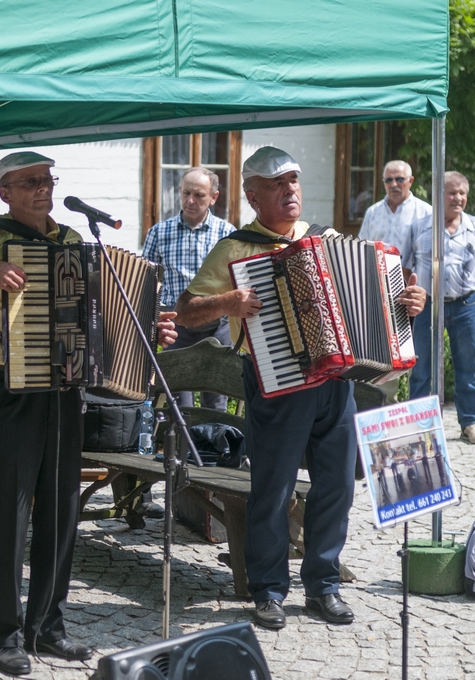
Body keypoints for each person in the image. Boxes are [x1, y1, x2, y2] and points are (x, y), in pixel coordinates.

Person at [0, 151, 177, 675]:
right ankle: (5, 634)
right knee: (10, 514)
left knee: (61, 511)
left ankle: (47, 627)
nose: (42, 188)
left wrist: (152, 330)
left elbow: (103, 318)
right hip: (10, 390)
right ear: (5, 192)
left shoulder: (74, 241)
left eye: (47, 179)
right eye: (29, 181)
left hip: (64, 391)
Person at [174, 146, 426, 630]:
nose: (290, 190)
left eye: (293, 180)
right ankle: (268, 590)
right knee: (274, 488)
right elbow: (186, 311)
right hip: (276, 383)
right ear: (252, 196)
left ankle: (323, 586)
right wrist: (229, 302)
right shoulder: (235, 249)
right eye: (277, 184)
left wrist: (408, 302)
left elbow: (380, 296)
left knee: (337, 487)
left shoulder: (326, 239)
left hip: (336, 382)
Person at [142, 166, 236, 410]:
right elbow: (146, 283)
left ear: (214, 197)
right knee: (178, 403)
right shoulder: (159, 233)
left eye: (199, 195)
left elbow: (238, 281)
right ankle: (182, 436)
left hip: (217, 326)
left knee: (216, 399)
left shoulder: (228, 235)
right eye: (186, 193)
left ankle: (215, 435)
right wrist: (154, 320)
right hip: (177, 327)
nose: (190, 201)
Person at [401, 171, 475, 441]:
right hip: (427, 306)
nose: (458, 198)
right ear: (439, 195)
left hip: (466, 304)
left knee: (468, 366)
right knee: (421, 368)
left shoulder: (474, 227)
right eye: (452, 193)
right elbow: (405, 267)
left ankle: (470, 421)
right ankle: (420, 425)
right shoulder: (419, 227)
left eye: (462, 193)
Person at [358, 160, 432, 403]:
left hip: (413, 296)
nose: (394, 184)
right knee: (381, 355)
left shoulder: (425, 212)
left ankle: (414, 411)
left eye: (399, 179)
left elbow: (430, 257)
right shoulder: (373, 212)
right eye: (388, 180)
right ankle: (382, 407)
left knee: (415, 358)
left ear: (411, 181)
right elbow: (361, 249)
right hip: (377, 293)